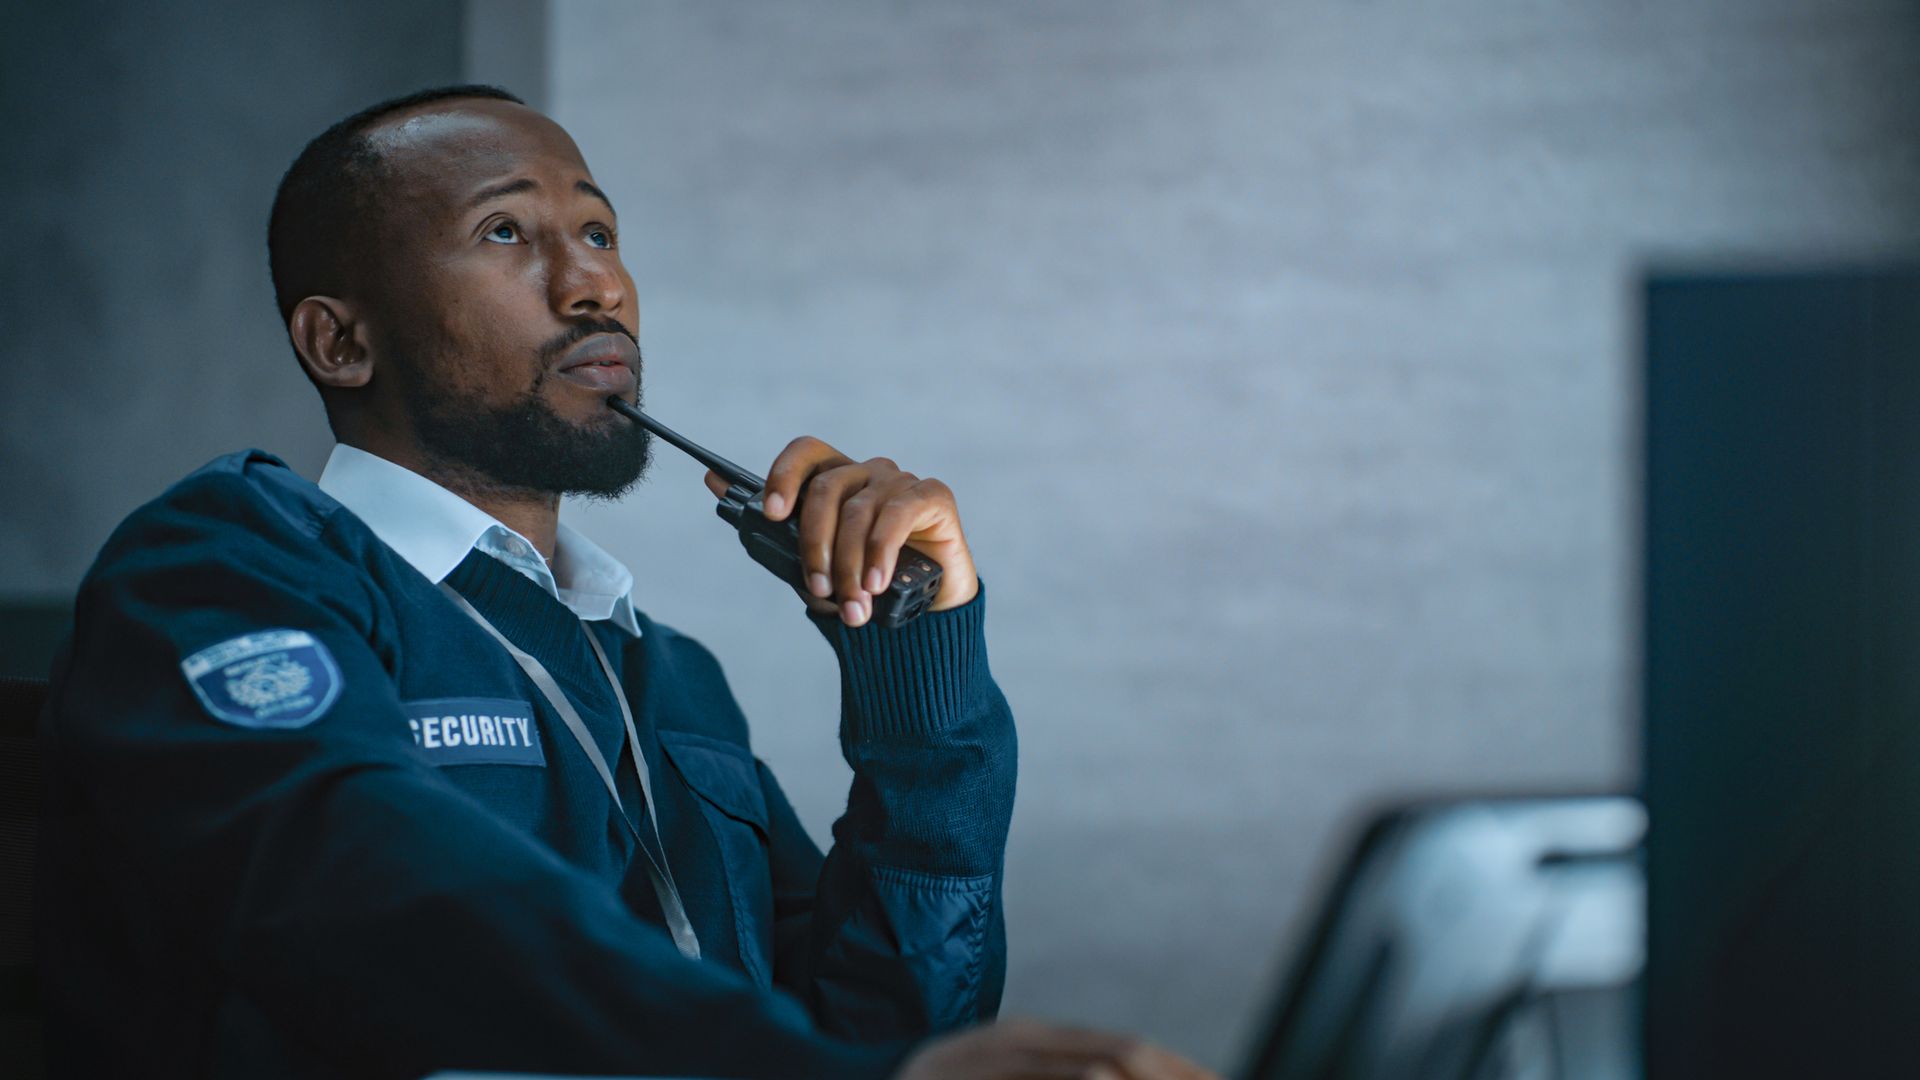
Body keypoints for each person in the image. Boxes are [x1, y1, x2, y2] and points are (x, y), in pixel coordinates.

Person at [35, 85, 1217, 1080]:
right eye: (506, 234)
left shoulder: (667, 675)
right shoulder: (228, 564)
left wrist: (916, 668)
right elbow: (365, 887)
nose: (591, 286)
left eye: (599, 233)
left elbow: (887, 1036)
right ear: (341, 342)